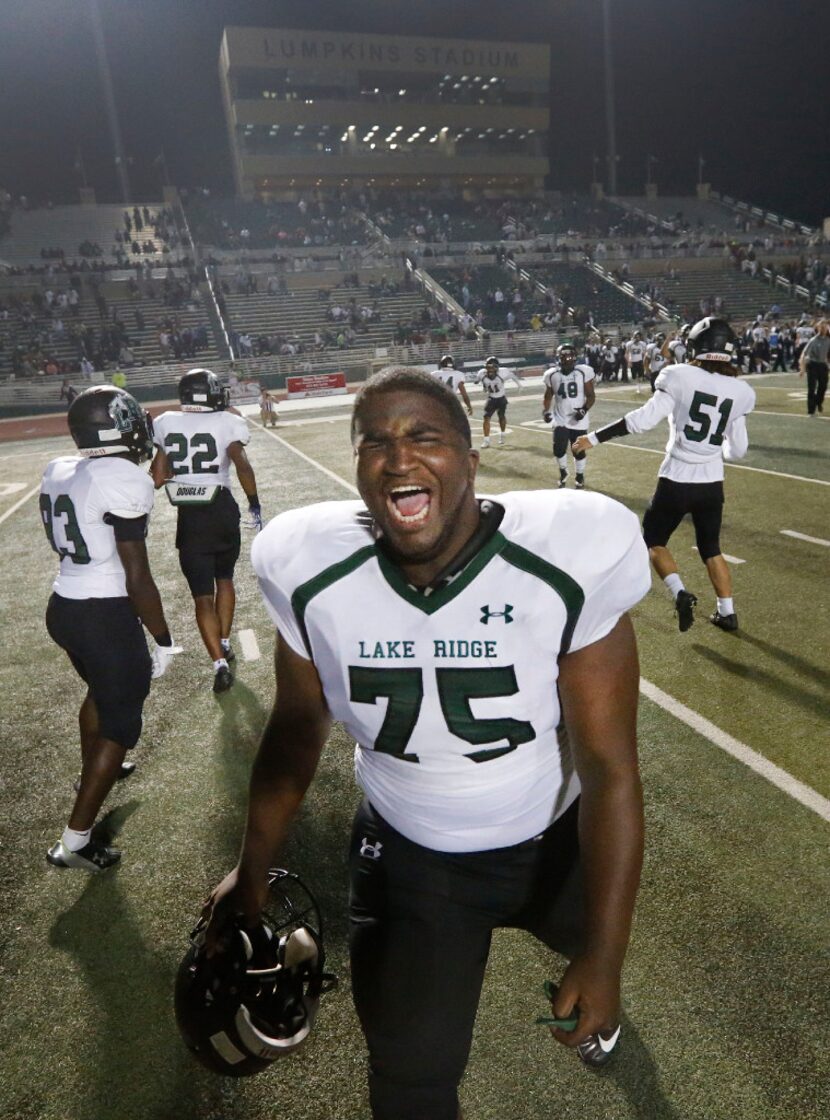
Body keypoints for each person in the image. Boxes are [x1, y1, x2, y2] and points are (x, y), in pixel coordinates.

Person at [202, 367, 651, 1120]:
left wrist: (606, 959)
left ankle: (593, 971)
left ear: (470, 462)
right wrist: (249, 868)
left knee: (594, 956)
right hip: (413, 857)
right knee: (408, 1080)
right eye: (374, 440)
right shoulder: (309, 567)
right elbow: (294, 729)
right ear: (357, 468)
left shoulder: (568, 553)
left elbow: (610, 769)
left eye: (424, 436)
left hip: (554, 843)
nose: (398, 457)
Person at [40, 386, 180, 872]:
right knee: (121, 722)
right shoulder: (122, 479)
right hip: (104, 613)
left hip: (64, 605)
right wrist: (162, 638)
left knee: (100, 693)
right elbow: (138, 576)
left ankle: (96, 772)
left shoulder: (60, 468)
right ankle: (75, 843)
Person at [574, 317, 756, 633]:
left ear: (698, 345)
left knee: (655, 541)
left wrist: (593, 438)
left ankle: (680, 592)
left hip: (676, 478)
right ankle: (727, 612)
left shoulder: (678, 375)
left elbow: (642, 421)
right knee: (711, 548)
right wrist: (717, 450)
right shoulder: (741, 390)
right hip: (712, 483)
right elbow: (738, 450)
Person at [150, 368, 261, 693]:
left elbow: (157, 479)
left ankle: (219, 663)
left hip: (191, 518)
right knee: (224, 580)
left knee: (202, 597)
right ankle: (225, 641)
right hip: (222, 510)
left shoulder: (166, 422)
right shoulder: (228, 420)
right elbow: (242, 465)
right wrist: (254, 502)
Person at [542, 342, 596, 489]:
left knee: (578, 449)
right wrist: (546, 411)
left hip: (579, 418)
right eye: (564, 357)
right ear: (558, 358)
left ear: (575, 358)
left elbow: (591, 396)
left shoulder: (583, 372)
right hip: (560, 417)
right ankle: (563, 472)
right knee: (558, 449)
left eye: (570, 356)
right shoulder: (551, 374)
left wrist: (584, 410)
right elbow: (548, 396)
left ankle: (579, 475)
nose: (567, 359)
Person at [473, 354, 521, 448]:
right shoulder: (482, 373)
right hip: (491, 398)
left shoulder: (503, 372)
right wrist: (479, 382)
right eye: (488, 367)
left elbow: (512, 375)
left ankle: (502, 434)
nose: (490, 369)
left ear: (497, 367)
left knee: (501, 417)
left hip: (501, 398)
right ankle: (486, 440)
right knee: (486, 417)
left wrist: (519, 385)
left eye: (492, 367)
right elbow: (478, 379)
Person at [798, 319, 829, 416]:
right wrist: (802, 368)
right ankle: (811, 410)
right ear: (818, 328)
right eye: (821, 326)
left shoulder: (828, 340)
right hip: (813, 365)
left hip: (823, 365)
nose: (823, 328)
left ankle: (818, 402)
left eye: (825, 326)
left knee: (823, 387)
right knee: (811, 388)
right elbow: (804, 354)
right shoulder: (813, 340)